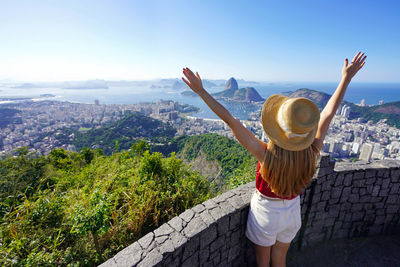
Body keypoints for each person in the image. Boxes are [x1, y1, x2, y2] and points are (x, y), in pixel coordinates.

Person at [182, 52, 366, 267]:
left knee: (263, 262)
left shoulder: (266, 155)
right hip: (292, 212)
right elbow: (328, 114)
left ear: (277, 129)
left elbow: (229, 119)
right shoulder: (312, 150)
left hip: (266, 213)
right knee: (280, 260)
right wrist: (346, 78)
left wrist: (201, 91)